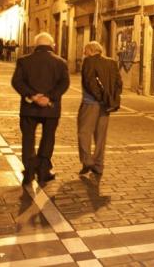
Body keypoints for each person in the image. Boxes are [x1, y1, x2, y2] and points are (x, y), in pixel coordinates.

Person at [11, 32, 70, 185]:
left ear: (35, 45)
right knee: (48, 137)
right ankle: (43, 171)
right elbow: (64, 83)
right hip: (51, 108)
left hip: (29, 108)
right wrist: (49, 97)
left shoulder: (24, 61)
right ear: (51, 45)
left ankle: (29, 172)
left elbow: (16, 82)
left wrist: (33, 96)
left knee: (28, 139)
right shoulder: (61, 62)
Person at [78, 41, 122, 177]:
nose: (84, 53)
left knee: (84, 132)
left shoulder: (88, 61)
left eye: (85, 50)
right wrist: (109, 100)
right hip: (106, 105)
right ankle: (98, 165)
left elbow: (89, 83)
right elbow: (118, 84)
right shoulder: (112, 62)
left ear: (91, 50)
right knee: (100, 136)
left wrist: (99, 97)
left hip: (90, 103)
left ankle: (87, 161)